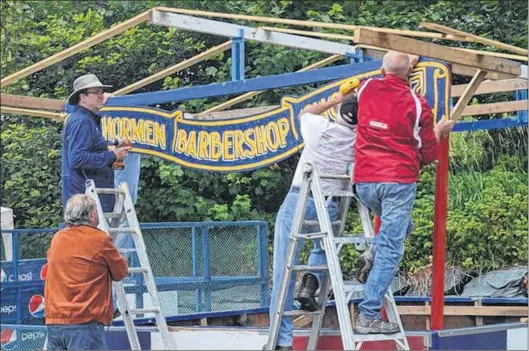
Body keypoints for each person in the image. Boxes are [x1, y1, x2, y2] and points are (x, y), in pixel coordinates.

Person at [352, 51, 455, 334]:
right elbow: (428, 154)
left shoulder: (366, 87)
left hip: (364, 181)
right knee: (391, 248)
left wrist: (403, 64)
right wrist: (440, 131)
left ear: (383, 69)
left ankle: (370, 257)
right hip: (397, 181)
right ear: (409, 71)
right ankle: (368, 314)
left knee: (398, 229)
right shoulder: (417, 103)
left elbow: (381, 80)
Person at [269, 90, 359, 350]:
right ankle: (311, 283)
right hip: (330, 203)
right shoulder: (358, 141)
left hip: (300, 197)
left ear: (341, 112)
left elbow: (305, 111)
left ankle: (282, 341)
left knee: (284, 269)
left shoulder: (318, 127)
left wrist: (333, 99)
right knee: (323, 250)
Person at [45, 194, 128, 350]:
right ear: (91, 215)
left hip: (55, 320)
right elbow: (120, 272)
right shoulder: (99, 239)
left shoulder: (57, 238)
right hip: (84, 321)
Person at [61, 73, 130, 213]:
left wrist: (113, 159)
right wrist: (112, 155)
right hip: (88, 201)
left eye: (101, 91)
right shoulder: (82, 121)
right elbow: (77, 159)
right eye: (96, 92)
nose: (101, 95)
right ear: (82, 97)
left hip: (88, 200)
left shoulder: (84, 120)